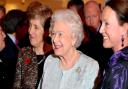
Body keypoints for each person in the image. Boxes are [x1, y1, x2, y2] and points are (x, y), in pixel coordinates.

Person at [38, 9, 99, 89]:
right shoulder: (50, 61)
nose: (55, 39)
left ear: (73, 38)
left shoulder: (89, 66)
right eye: (53, 33)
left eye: (60, 34)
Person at [13, 4, 53, 89]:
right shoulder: (24, 52)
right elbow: (16, 85)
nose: (30, 31)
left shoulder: (55, 56)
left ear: (47, 31)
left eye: (36, 27)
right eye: (30, 25)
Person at [99, 0, 128, 89]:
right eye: (101, 23)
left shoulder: (119, 69)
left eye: (106, 24)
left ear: (124, 28)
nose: (100, 30)